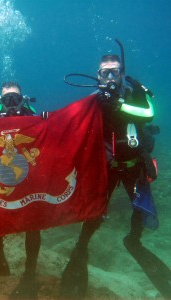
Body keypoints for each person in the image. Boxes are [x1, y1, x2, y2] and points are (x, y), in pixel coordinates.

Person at [60, 54, 159, 297]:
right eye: (106, 72)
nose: (111, 76)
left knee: (139, 207)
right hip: (107, 165)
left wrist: (118, 104)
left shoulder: (135, 92)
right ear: (98, 75)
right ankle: (81, 245)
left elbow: (148, 114)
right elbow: (72, 121)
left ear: (122, 72)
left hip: (134, 163)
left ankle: (134, 239)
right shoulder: (94, 100)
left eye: (115, 71)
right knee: (97, 208)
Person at [0, 81, 41, 298]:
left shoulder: (31, 114)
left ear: (22, 98)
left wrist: (46, 120)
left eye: (15, 98)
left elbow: (46, 136)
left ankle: (30, 271)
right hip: (1, 174)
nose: (12, 103)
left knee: (34, 222)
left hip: (27, 176)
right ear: (0, 101)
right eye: (7, 99)